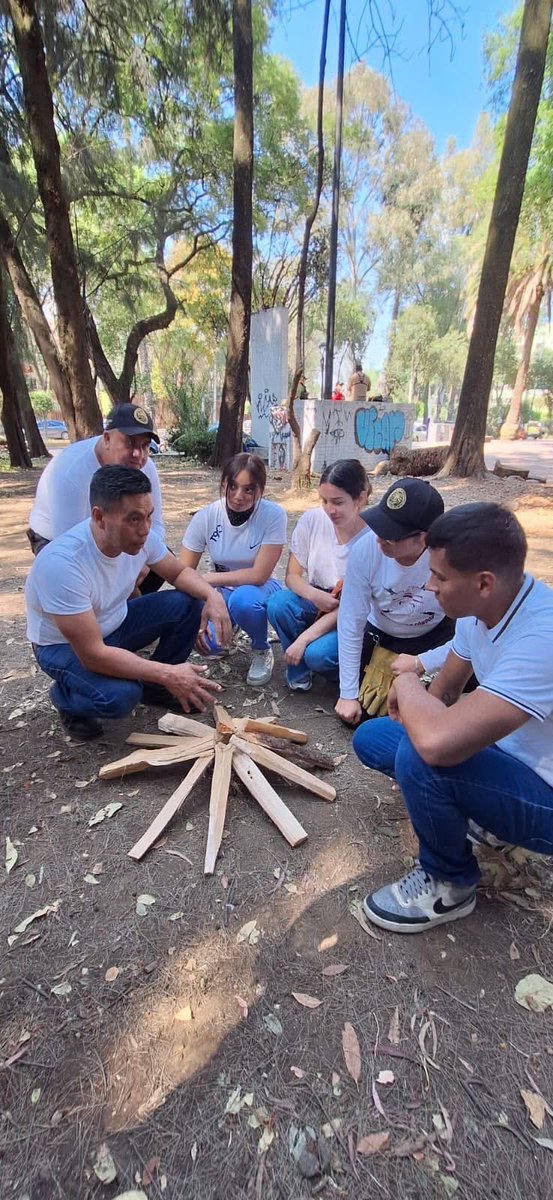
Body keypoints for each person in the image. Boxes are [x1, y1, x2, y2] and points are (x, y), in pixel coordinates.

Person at [352, 502, 553, 934]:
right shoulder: (482, 611)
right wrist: (421, 709)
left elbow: (438, 740)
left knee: (424, 756)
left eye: (440, 577)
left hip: (546, 795)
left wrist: (405, 679)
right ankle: (480, 814)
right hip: (509, 755)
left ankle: (449, 883)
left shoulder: (542, 638)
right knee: (375, 738)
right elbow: (445, 689)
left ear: (483, 583)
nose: (429, 585)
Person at [25, 466, 232, 741]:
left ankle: (157, 688)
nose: (145, 529)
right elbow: (93, 654)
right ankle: (66, 697)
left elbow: (179, 573)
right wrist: (168, 672)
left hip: (115, 623)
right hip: (62, 648)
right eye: (134, 519)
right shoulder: (62, 564)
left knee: (189, 601)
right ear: (100, 517)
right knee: (121, 698)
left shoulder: (142, 536)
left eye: (149, 516)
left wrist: (212, 596)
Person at [335, 478, 454, 725]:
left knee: (429, 714)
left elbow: (474, 635)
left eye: (391, 535)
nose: (380, 539)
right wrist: (347, 693)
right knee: (364, 719)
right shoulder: (367, 549)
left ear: (424, 538)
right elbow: (350, 621)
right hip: (382, 633)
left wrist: (425, 661)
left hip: (435, 635)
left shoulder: (452, 558)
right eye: (380, 528)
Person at [27, 403, 165, 594]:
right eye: (130, 443)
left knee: (160, 564)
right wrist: (125, 569)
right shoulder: (71, 472)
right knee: (71, 581)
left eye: (144, 446)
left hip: (111, 534)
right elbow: (70, 546)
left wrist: (141, 560)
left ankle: (125, 614)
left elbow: (156, 525)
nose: (138, 455)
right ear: (107, 439)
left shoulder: (144, 466)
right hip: (54, 539)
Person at [179, 452, 286, 687]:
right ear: (224, 483)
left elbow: (259, 574)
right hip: (221, 590)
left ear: (261, 489)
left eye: (249, 489)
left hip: (261, 587)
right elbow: (182, 571)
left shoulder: (273, 515)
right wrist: (203, 605)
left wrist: (209, 579)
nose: (239, 496)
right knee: (211, 647)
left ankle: (261, 648)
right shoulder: (206, 517)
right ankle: (230, 625)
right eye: (233, 486)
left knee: (243, 600)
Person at [268, 460, 369, 692]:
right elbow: (292, 576)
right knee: (278, 603)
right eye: (324, 500)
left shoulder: (371, 537)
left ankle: (346, 672)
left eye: (338, 502)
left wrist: (304, 640)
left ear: (360, 499)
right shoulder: (312, 520)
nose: (329, 509)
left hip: (350, 611)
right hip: (319, 597)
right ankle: (299, 666)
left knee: (318, 654)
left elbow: (351, 607)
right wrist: (314, 595)